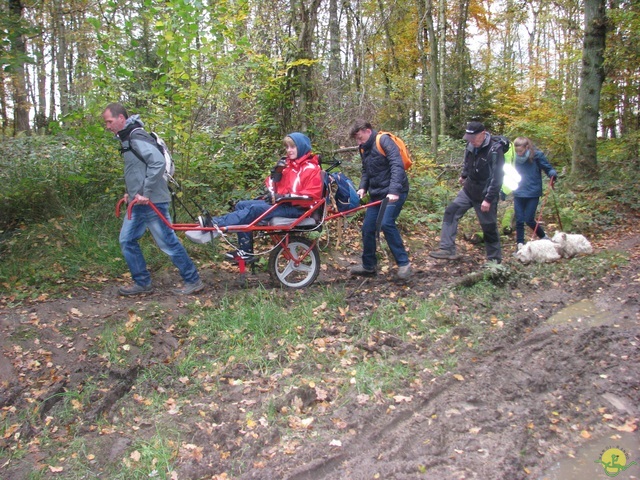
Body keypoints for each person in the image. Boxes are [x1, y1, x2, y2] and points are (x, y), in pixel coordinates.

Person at [103, 103, 204, 296]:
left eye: (109, 121)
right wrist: (130, 192)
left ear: (121, 119)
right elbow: (135, 170)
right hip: (138, 202)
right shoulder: (127, 138)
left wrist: (145, 192)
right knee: (127, 240)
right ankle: (142, 282)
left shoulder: (135, 136)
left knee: (168, 243)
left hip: (152, 201)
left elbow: (157, 162)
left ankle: (193, 280)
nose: (107, 126)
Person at [206, 133, 323, 261]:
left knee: (254, 210)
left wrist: (283, 197)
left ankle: (216, 223)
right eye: (287, 147)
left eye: (292, 147)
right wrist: (275, 176)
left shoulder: (311, 169)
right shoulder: (288, 165)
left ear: (301, 147)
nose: (289, 150)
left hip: (299, 209)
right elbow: (272, 187)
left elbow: (310, 196)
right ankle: (246, 251)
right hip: (284, 203)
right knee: (241, 205)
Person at [430, 121, 505, 264]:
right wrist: (464, 175)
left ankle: (494, 262)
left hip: (486, 193)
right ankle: (447, 248)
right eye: (468, 138)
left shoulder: (495, 150)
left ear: (483, 134)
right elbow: (468, 161)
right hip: (469, 190)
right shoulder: (471, 145)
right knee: (451, 211)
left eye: (473, 138)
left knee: (488, 226)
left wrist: (488, 199)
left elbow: (498, 177)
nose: (471, 141)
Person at [348, 120, 411, 280]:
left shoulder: (383, 140)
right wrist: (363, 187)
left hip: (395, 191)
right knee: (367, 228)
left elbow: (397, 165)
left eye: (360, 138)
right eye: (356, 139)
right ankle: (368, 266)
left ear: (367, 130)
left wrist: (394, 191)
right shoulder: (363, 148)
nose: (359, 142)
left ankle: (404, 264)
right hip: (377, 194)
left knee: (386, 223)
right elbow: (366, 170)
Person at [511, 136, 557, 250]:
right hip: (518, 191)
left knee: (529, 219)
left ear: (527, 147)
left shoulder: (537, 156)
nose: (519, 153)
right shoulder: (513, 157)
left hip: (533, 192)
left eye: (520, 151)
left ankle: (544, 237)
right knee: (519, 220)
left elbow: (547, 168)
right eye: (516, 151)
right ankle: (520, 244)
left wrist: (552, 174)